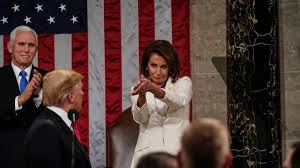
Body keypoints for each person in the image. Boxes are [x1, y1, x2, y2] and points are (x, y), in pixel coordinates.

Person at [130, 40, 193, 168]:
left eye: (163, 66)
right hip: (147, 155)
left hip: (177, 152)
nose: (158, 72)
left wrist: (154, 89)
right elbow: (140, 118)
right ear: (147, 66)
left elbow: (179, 101)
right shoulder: (137, 89)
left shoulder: (183, 83)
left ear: (170, 67)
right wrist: (142, 95)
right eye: (154, 65)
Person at [0, 25, 47, 168]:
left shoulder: (49, 78)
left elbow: (57, 116)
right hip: (5, 158)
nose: (26, 50)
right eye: (21, 44)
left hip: (42, 158)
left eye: (31, 45)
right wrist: (20, 99)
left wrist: (38, 94)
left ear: (36, 49)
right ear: (9, 47)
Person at [24, 69, 91, 168]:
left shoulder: (59, 123)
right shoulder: (46, 129)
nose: (83, 93)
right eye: (81, 89)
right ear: (71, 96)